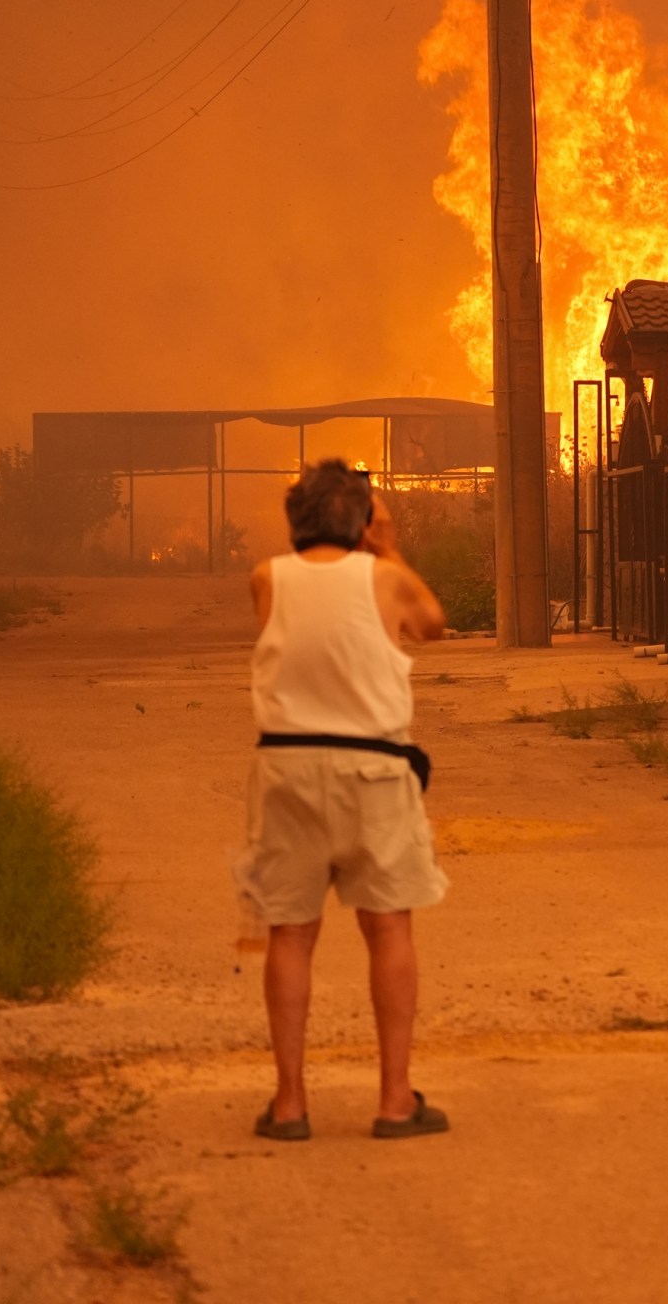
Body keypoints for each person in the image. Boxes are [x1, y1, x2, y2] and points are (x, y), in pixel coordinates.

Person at [238, 460, 451, 1140]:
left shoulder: (267, 578)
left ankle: (291, 1103)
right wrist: (384, 544)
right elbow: (431, 625)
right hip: (373, 769)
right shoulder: (384, 575)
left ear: (294, 519)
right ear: (363, 520)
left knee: (290, 934)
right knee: (387, 926)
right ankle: (394, 1101)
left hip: (288, 769)